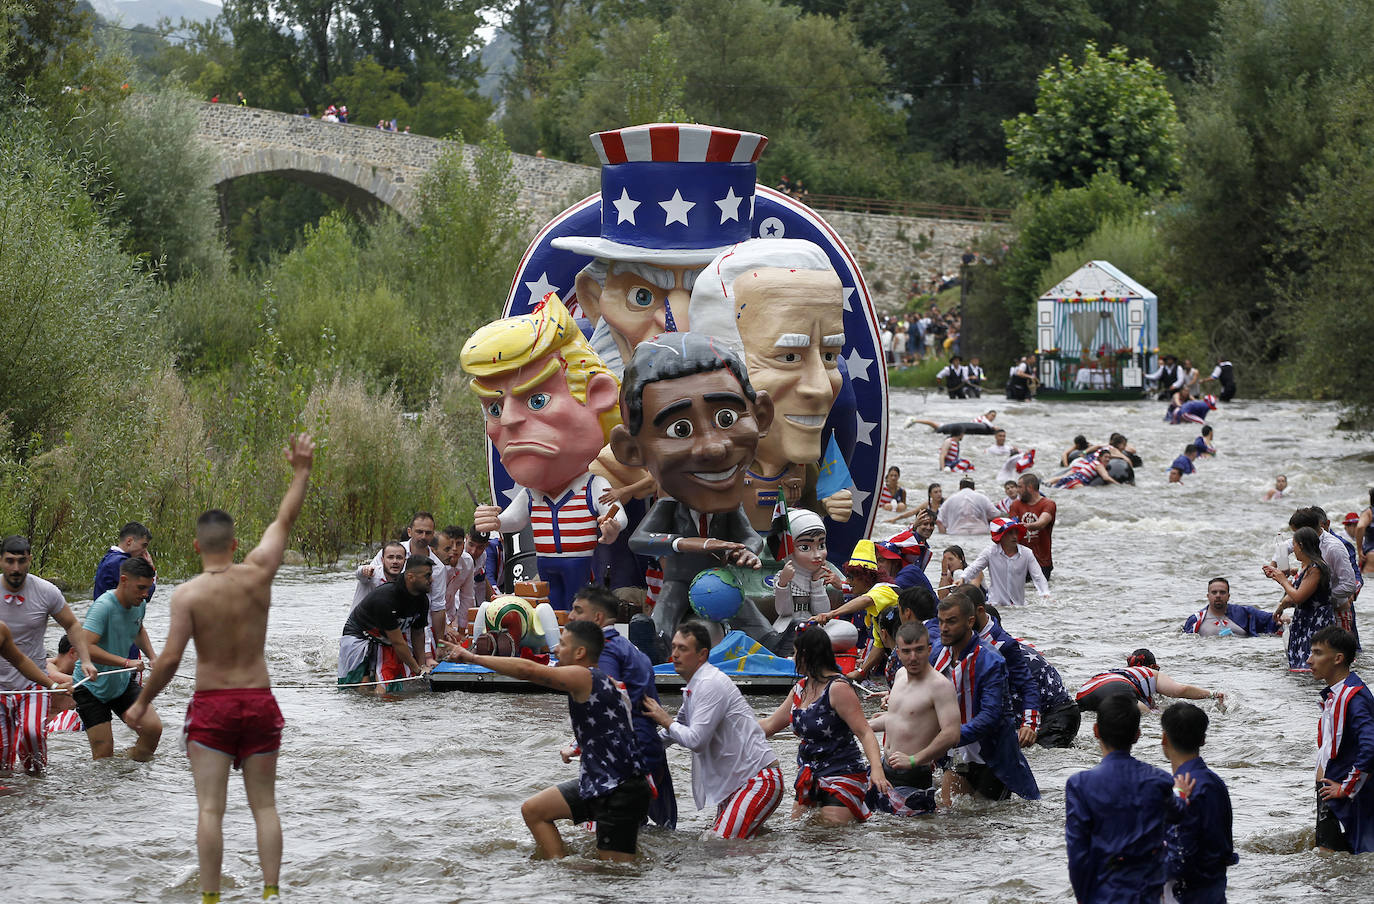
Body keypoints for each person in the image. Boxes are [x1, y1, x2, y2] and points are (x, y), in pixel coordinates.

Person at [124, 434, 314, 904]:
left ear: (196, 546)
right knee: (265, 806)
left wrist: (141, 703)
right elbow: (283, 520)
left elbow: (168, 659)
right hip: (259, 699)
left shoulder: (187, 594)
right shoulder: (258, 573)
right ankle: (271, 893)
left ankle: (210, 898)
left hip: (212, 705)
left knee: (210, 809)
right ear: (234, 543)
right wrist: (301, 471)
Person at [609, 332, 788, 653]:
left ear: (761, 416)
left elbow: (749, 537)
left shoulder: (729, 509)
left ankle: (775, 644)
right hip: (680, 581)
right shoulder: (669, 508)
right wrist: (690, 544)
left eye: (726, 418)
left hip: (721, 581)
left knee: (745, 610)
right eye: (680, 430)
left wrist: (747, 552)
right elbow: (639, 540)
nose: (714, 447)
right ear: (632, 450)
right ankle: (656, 646)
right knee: (666, 612)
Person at [464, 295, 628, 612]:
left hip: (584, 564)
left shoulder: (592, 485)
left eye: (537, 400)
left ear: (598, 395)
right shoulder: (532, 494)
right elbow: (513, 520)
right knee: (548, 610)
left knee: (583, 609)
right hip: (546, 563)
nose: (508, 419)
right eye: (494, 408)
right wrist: (493, 520)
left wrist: (612, 524)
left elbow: (615, 512)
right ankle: (556, 653)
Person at [452, 620, 650, 860]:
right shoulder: (601, 681)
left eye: (563, 644)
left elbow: (529, 671)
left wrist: (472, 658)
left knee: (615, 876)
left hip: (619, 790)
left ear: (580, 652)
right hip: (600, 782)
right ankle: (558, 869)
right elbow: (613, 729)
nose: (555, 649)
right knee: (534, 811)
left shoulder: (583, 675)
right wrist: (577, 747)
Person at [641, 622, 783, 839]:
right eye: (674, 647)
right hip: (737, 783)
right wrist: (638, 748)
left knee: (717, 844)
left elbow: (696, 739)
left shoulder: (708, 684)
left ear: (702, 655)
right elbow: (673, 733)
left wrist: (665, 719)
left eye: (683, 649)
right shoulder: (694, 686)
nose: (675, 654)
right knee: (725, 846)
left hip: (757, 779)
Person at [1065, 695, 1195, 904]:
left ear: (1096, 731)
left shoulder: (1080, 785)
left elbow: (1078, 852)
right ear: (1137, 735)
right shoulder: (1158, 780)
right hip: (1146, 892)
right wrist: (1181, 792)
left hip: (1103, 892)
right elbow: (1176, 812)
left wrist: (1082, 896)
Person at [757, 626, 890, 823]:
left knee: (833, 832)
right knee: (798, 830)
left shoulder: (838, 688)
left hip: (842, 774)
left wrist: (877, 769)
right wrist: (732, 733)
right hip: (809, 776)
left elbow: (864, 732)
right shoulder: (800, 689)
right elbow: (769, 725)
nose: (793, 659)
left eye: (795, 653)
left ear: (806, 655)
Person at [568, 585, 676, 828]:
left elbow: (610, 699)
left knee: (600, 841)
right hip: (649, 748)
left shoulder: (604, 650)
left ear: (597, 618)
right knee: (654, 834)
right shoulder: (629, 647)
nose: (571, 616)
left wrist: (577, 746)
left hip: (623, 758)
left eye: (577, 610)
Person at [0, 535, 97, 774]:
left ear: (30, 559)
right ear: (1, 561)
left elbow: (72, 625)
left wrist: (84, 659)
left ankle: (37, 791)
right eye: (9, 561)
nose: (15, 568)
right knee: (2, 757)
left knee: (32, 733)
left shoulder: (46, 591)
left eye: (21, 561)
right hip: (0, 686)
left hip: (34, 682)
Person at [928, 594, 1039, 802]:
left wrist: (948, 738)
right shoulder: (936, 652)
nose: (943, 628)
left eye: (951, 621)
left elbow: (990, 716)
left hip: (992, 755)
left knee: (986, 823)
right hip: (956, 753)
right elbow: (923, 690)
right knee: (949, 819)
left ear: (970, 621)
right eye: (941, 621)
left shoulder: (992, 660)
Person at [72, 557, 161, 761]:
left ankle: (130, 771)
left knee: (153, 728)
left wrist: (153, 657)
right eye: (141, 588)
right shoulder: (103, 606)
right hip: (90, 687)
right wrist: (126, 663)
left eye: (148, 588)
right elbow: (85, 646)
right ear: (124, 580)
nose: (145, 594)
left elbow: (138, 628)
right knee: (104, 756)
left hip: (119, 684)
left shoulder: (140, 603)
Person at [866, 621, 960, 814]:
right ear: (898, 653)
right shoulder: (900, 675)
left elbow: (952, 734)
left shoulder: (940, 687)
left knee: (911, 841)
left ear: (929, 649)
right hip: (885, 771)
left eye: (919, 650)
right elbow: (898, 719)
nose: (913, 657)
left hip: (914, 779)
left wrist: (914, 759)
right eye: (907, 651)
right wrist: (862, 726)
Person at [1162, 702, 1238, 902]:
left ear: (1164, 739)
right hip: (1213, 888)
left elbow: (1178, 854)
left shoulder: (1177, 791)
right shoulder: (1216, 783)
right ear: (1203, 740)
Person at [1308, 625, 1374, 853]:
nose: (1308, 660)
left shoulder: (1354, 697)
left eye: (1317, 653)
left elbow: (1371, 746)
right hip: (1331, 789)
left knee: (1343, 856)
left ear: (1338, 658)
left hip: (1343, 792)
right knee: (1331, 862)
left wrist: (1347, 788)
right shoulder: (1335, 693)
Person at [337, 556, 435, 687]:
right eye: (427, 576)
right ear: (411, 577)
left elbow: (418, 634)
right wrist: (417, 670)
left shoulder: (422, 600)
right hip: (359, 637)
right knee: (363, 686)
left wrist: (422, 667)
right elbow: (397, 642)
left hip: (385, 639)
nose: (432, 580)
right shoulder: (386, 599)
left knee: (398, 684)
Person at [365, 513, 447, 643]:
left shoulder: (438, 568)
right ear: (409, 532)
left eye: (428, 533)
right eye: (419, 532)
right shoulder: (391, 552)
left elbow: (437, 608)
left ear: (433, 535)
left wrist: (441, 644)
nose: (423, 537)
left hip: (418, 625)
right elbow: (369, 579)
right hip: (382, 620)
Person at [1265, 526, 1336, 672]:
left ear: (1301, 546)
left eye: (1294, 545)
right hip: (1304, 622)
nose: (1293, 549)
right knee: (1299, 668)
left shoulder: (1316, 568)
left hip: (1316, 623)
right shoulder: (1306, 566)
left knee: (1311, 668)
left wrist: (1283, 580)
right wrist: (1280, 607)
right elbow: (1294, 594)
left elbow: (1298, 597)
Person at [1076, 649, 1224, 713]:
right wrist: (1213, 694)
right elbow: (1180, 690)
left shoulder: (1120, 671)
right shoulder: (1151, 673)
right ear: (1153, 666)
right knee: (1153, 717)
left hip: (1085, 693)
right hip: (1117, 688)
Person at [956, 517, 1050, 607]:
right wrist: (963, 578)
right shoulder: (990, 552)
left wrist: (1045, 594)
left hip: (1019, 606)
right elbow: (974, 568)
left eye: (1016, 532)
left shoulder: (1027, 553)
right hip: (996, 605)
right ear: (1001, 536)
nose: (1014, 536)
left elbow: (1038, 576)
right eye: (1010, 533)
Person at [1182, 577, 1283, 637]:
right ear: (1208, 596)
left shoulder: (1245, 613)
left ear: (1228, 596)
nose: (1218, 595)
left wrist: (1282, 619)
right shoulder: (1196, 620)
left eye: (1222, 592)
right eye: (1214, 592)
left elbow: (1271, 619)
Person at [1008, 473, 1056, 580]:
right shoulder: (1015, 505)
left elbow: (1042, 523)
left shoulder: (1048, 504)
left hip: (1042, 562)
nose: (1017, 490)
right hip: (1019, 561)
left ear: (1030, 488)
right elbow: (1011, 527)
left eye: (1019, 487)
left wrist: (1024, 526)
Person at [92, 521, 156, 601]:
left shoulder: (110, 558)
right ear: (129, 541)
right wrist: (151, 568)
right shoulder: (120, 562)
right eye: (144, 545)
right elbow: (145, 595)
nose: (145, 551)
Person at [437, 526, 476, 636]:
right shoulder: (435, 563)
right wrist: (446, 626)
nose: (454, 549)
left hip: (450, 614)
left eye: (458, 544)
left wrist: (462, 631)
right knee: (438, 648)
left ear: (463, 545)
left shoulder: (467, 562)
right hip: (431, 616)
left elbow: (467, 598)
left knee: (457, 643)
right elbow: (434, 600)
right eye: (449, 545)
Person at [351, 541, 406, 608]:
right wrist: (364, 570)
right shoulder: (372, 573)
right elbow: (359, 574)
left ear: (405, 561)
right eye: (390, 557)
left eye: (399, 558)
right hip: (359, 617)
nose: (395, 561)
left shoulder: (405, 581)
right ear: (382, 560)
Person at [908, 411, 998, 435]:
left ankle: (915, 421)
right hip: (951, 427)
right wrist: (996, 428)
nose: (992, 417)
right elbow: (990, 426)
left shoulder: (983, 421)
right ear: (987, 414)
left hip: (954, 426)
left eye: (994, 416)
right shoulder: (983, 419)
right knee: (933, 424)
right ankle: (914, 420)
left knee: (933, 425)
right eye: (992, 415)